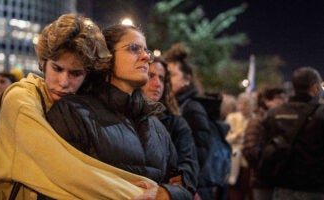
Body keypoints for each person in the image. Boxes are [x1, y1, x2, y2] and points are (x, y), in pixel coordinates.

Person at [0, 14, 157, 199]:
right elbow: (60, 166)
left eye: (75, 73)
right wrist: (138, 193)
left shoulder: (75, 107)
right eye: (57, 69)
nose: (64, 82)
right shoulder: (21, 97)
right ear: (43, 63)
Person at [47, 24, 190, 199]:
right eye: (134, 48)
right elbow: (55, 185)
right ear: (107, 56)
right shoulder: (72, 113)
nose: (146, 57)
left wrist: (165, 194)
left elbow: (181, 184)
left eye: (147, 51)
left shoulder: (156, 127)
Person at [164, 43, 231, 200]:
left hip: (198, 188)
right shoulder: (178, 105)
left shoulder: (192, 108)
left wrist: (188, 182)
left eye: (172, 75)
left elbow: (199, 151)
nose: (166, 80)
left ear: (187, 79)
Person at [258, 67, 324, 200]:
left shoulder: (273, 114)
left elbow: (261, 148)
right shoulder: (321, 114)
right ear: (314, 88)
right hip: (314, 188)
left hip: (281, 187)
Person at [140, 56, 199, 196]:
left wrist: (167, 192)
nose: (157, 84)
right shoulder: (122, 117)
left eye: (161, 78)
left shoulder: (176, 124)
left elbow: (189, 166)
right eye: (151, 76)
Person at [242, 86, 287, 200]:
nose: (283, 102)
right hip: (263, 180)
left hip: (280, 180)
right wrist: (264, 166)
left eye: (284, 99)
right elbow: (249, 150)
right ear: (267, 101)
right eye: (279, 99)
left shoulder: (282, 120)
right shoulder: (258, 120)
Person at [225, 92, 255, 200]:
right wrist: (237, 135)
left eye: (246, 104)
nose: (243, 107)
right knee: (233, 189)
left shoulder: (255, 119)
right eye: (241, 104)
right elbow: (226, 138)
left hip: (248, 161)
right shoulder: (232, 118)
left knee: (247, 188)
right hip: (233, 159)